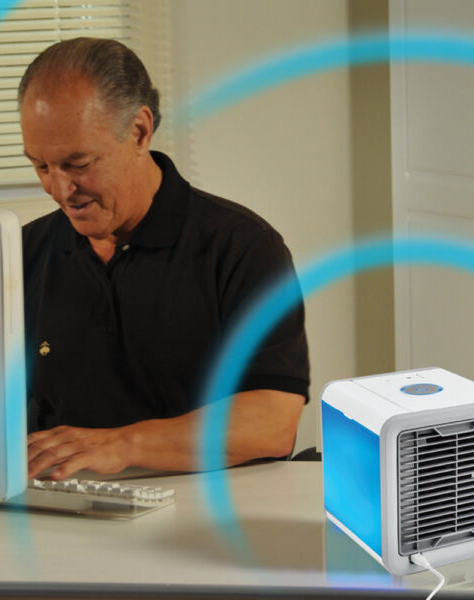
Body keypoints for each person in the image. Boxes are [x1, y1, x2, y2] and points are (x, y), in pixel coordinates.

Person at [19, 38, 310, 480]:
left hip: (212, 500)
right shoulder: (23, 251)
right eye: (42, 166)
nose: (59, 191)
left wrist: (122, 444)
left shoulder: (242, 246)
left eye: (78, 164)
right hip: (65, 500)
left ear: (139, 131)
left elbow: (271, 424)